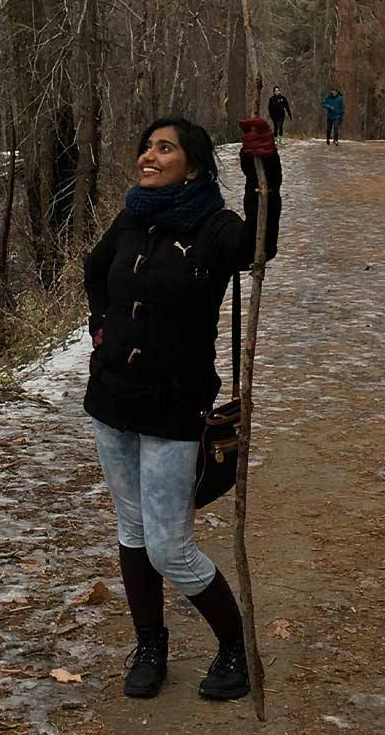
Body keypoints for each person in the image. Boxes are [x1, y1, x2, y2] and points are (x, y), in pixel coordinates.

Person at [83, 115, 283, 702]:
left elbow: (260, 246)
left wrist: (262, 169)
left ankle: (234, 647)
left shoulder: (215, 228)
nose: (148, 155)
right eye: (146, 146)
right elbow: (96, 270)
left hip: (174, 406)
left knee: (170, 543)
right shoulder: (131, 217)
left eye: (164, 148)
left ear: (191, 165)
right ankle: (150, 644)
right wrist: (100, 325)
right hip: (113, 399)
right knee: (132, 529)